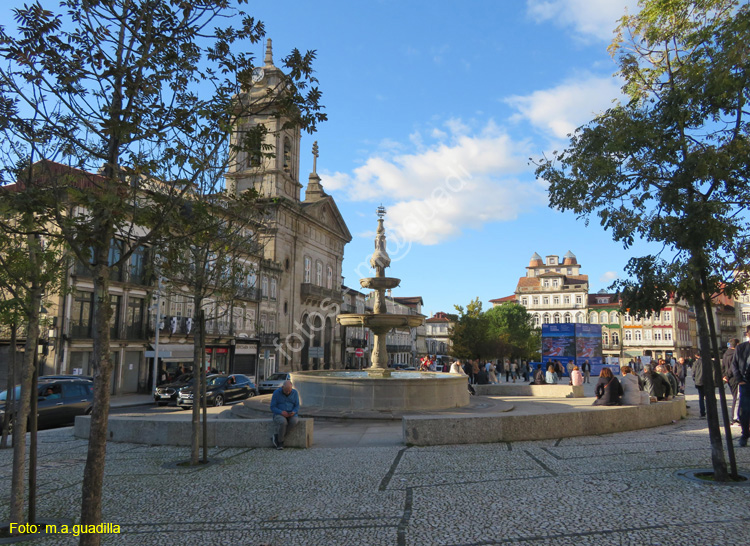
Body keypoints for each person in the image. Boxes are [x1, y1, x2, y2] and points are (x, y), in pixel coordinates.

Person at [731, 326, 750, 447]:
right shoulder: (741, 347)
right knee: (743, 411)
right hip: (745, 382)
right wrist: (739, 379)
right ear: (747, 334)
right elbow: (734, 364)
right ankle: (745, 434)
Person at [270, 380, 299, 450]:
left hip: (291, 413)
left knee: (294, 421)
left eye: (289, 391)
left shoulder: (295, 393)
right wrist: (281, 412)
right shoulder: (276, 393)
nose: (288, 393)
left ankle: (277, 437)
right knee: (283, 422)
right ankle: (280, 442)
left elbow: (297, 406)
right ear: (282, 387)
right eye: (286, 391)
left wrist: (294, 412)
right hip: (279, 414)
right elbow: (272, 407)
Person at [722, 339, 740, 424]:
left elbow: (723, 366)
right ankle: (735, 418)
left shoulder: (725, 354)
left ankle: (735, 417)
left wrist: (724, 376)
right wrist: (728, 376)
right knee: (736, 398)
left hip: (728, 378)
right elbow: (733, 367)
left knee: (735, 397)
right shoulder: (735, 353)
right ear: (737, 344)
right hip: (734, 377)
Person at [692, 353, 706, 417]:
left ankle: (702, 412)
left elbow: (693, 373)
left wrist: (695, 380)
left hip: (699, 382)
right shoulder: (708, 362)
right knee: (709, 397)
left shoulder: (696, 363)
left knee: (701, 397)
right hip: (707, 382)